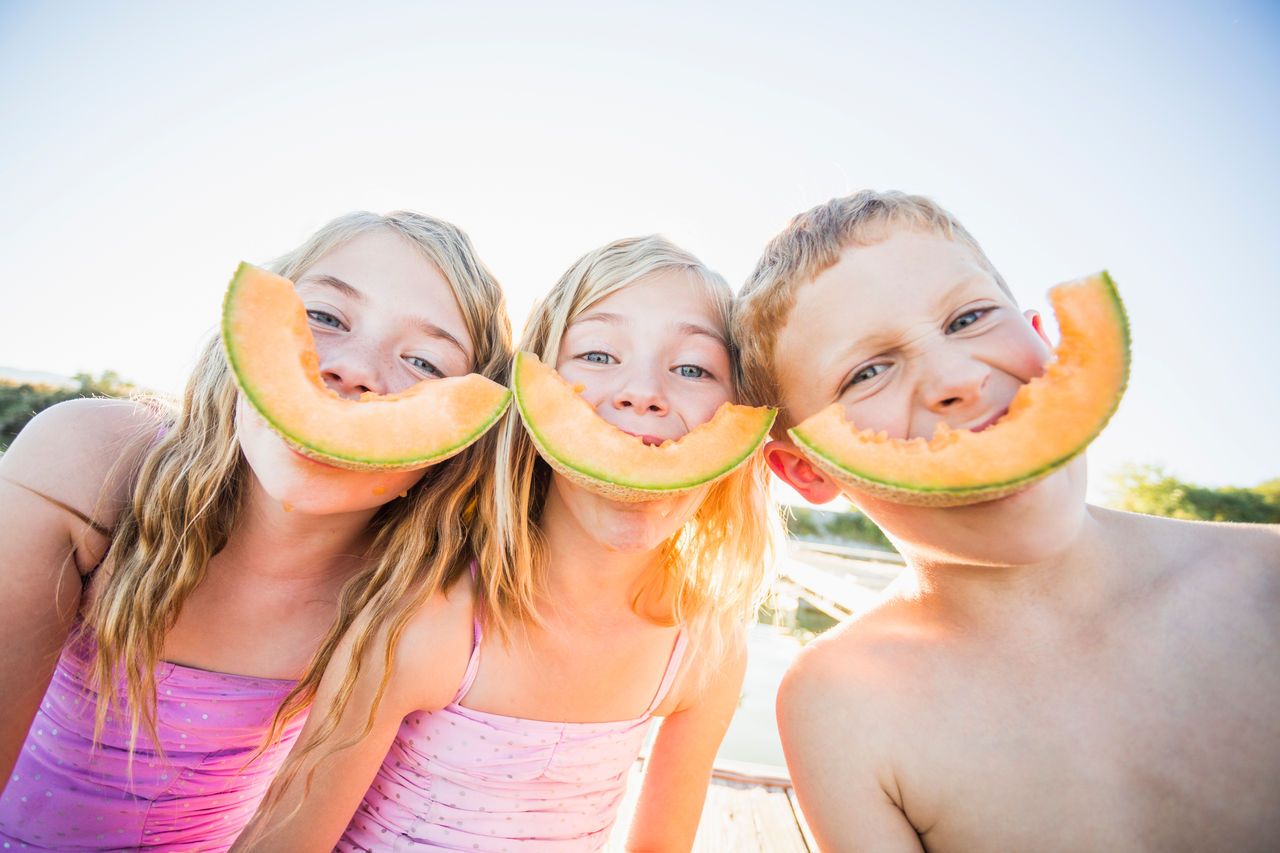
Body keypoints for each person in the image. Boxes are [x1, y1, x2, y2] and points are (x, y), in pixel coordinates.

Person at [736, 190, 1280, 851]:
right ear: (808, 471)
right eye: (868, 371)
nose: (956, 377)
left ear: (1042, 337)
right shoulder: (838, 703)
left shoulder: (1267, 581)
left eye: (969, 317)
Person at [234, 235, 781, 851]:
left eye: (692, 368)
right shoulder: (428, 621)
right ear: (533, 389)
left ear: (739, 413)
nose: (644, 392)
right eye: (599, 354)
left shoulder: (706, 649)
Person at [0, 210, 512, 850]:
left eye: (425, 362)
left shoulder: (413, 601)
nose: (352, 370)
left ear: (461, 439)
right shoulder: (88, 464)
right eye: (323, 317)